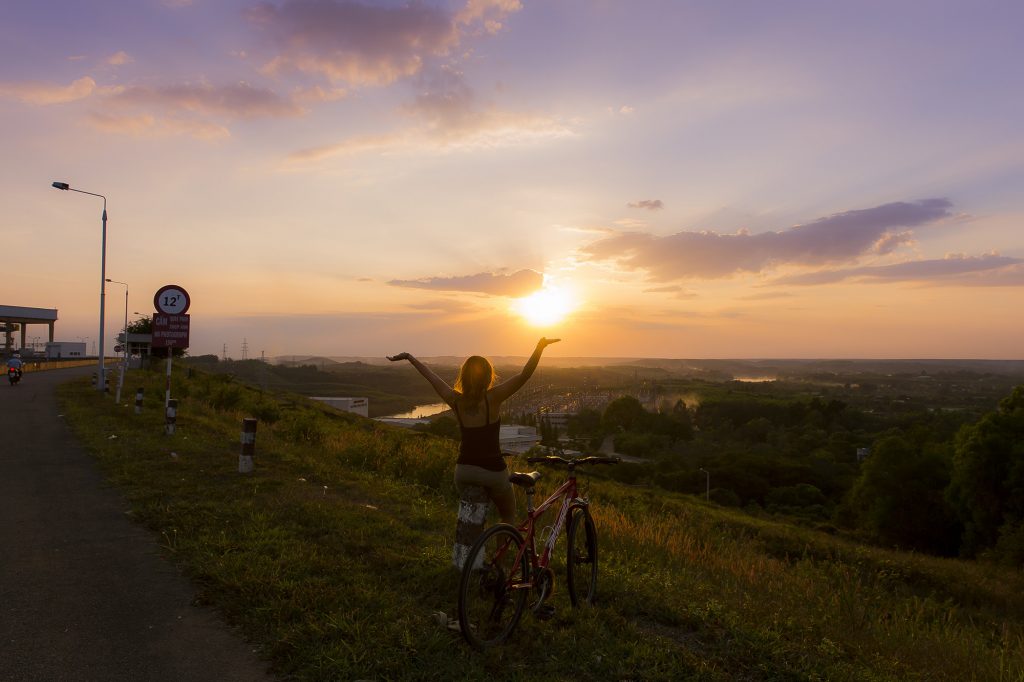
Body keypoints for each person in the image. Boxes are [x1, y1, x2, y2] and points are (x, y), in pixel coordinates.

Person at [387, 338, 560, 524]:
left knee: (472, 520)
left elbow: (432, 378)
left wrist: (410, 358)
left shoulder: (455, 400)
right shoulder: (493, 398)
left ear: (463, 376)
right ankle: (503, 551)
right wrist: (539, 347)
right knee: (508, 515)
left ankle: (470, 548)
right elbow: (524, 375)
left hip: (464, 472)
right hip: (493, 472)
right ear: (488, 377)